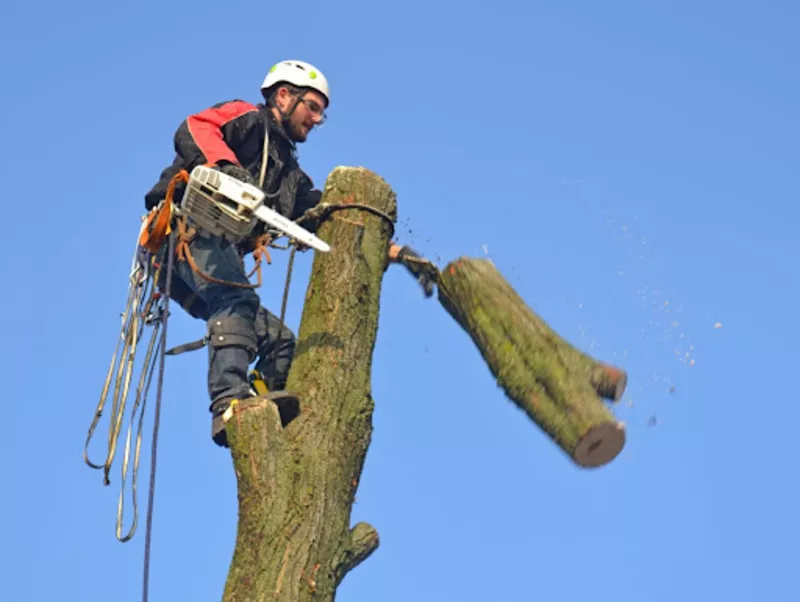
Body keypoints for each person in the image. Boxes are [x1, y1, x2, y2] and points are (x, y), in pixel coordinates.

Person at [142, 59, 435, 447]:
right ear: (284, 95)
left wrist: (397, 254)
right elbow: (196, 125)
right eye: (312, 106)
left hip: (203, 259)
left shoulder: (289, 177)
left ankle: (269, 414)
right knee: (235, 300)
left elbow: (321, 220)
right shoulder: (248, 120)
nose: (316, 118)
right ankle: (230, 403)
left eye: (321, 113)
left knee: (280, 342)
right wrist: (227, 167)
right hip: (181, 235)